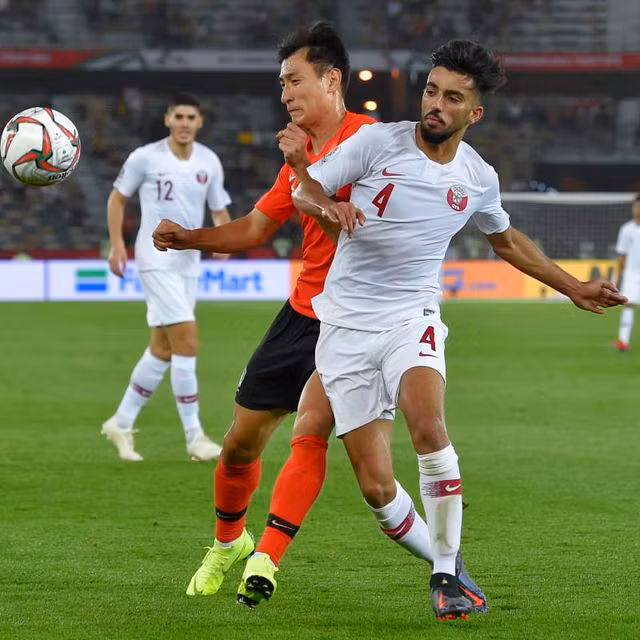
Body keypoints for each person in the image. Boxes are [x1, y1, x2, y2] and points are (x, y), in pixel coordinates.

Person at [153, 24, 487, 616]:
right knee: (239, 445)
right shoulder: (303, 153)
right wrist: (188, 237)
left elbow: (395, 212)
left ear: (332, 81)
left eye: (294, 81)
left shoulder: (377, 141)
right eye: (282, 83)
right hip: (301, 313)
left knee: (312, 433)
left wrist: (329, 201)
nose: (285, 94)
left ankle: (271, 558)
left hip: (364, 320)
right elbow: (257, 227)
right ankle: (230, 542)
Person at [285, 40, 625, 620]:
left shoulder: (477, 177)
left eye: (452, 98)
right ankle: (450, 561)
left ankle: (443, 576)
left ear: (475, 112)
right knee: (377, 490)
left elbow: (506, 241)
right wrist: (326, 206)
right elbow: (305, 187)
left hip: (412, 316)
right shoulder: (375, 143)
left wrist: (572, 286)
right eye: (431, 91)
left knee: (428, 424)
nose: (435, 105)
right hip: (345, 325)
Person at [102, 93, 232, 462]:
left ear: (200, 122)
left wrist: (224, 238)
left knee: (162, 348)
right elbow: (117, 198)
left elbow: (219, 210)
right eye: (179, 116)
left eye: (191, 117)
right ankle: (194, 437)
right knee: (187, 341)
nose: (185, 123)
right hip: (155, 258)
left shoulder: (209, 161)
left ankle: (121, 422)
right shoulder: (145, 157)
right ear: (167, 120)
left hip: (189, 262)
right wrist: (117, 245)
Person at [612, 194, 640, 351]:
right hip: (632, 274)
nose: (638, 209)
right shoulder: (626, 229)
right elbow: (622, 255)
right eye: (636, 206)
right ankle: (623, 341)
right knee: (628, 305)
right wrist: (618, 275)